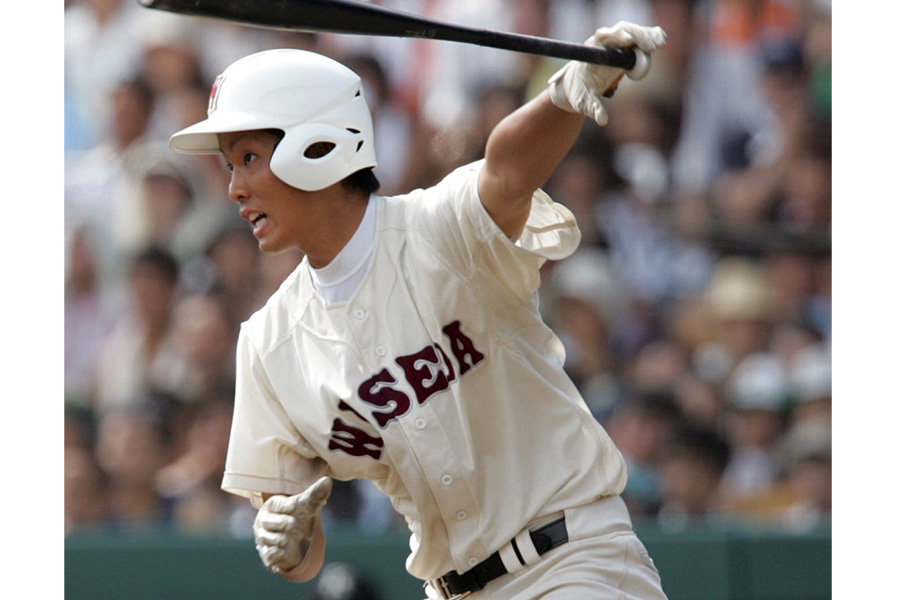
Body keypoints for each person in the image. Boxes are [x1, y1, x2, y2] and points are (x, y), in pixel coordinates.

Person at [166, 21, 668, 600]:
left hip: (571, 563)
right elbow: (299, 536)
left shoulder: (438, 227)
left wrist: (567, 90)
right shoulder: (267, 342)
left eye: (248, 157)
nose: (234, 187)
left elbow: (506, 169)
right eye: (232, 165)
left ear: (317, 143)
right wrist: (286, 538)